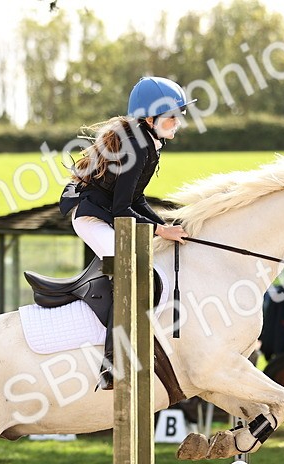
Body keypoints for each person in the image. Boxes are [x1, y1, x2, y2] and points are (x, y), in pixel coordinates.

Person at [59, 75, 193, 389]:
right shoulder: (138, 145)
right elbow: (122, 210)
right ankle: (111, 365)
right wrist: (161, 230)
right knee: (128, 273)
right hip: (92, 218)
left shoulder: (149, 142)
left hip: (107, 213)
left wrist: (165, 224)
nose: (177, 123)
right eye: (171, 116)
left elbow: (137, 200)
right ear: (150, 118)